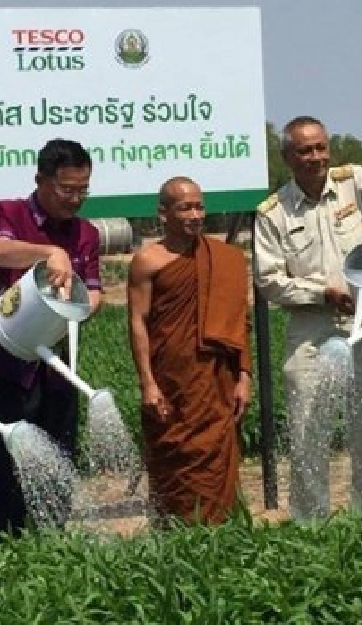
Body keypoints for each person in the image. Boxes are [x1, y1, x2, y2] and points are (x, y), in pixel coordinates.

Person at [252, 115, 362, 520]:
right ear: (287, 156)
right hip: (310, 334)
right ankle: (311, 528)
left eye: (321, 147)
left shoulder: (355, 181)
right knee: (309, 436)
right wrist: (322, 291)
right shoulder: (273, 212)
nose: (315, 157)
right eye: (305, 150)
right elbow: (269, 280)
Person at [0, 138, 103, 540]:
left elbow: (94, 292)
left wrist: (81, 305)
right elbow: (1, 252)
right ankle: (5, 549)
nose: (76, 199)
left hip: (57, 364)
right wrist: (49, 252)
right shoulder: (7, 212)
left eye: (83, 189)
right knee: (8, 461)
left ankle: (53, 544)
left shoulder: (86, 233)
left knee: (59, 456)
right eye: (67, 189)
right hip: (5, 363)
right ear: (41, 180)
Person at [127, 176, 252, 527]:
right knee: (174, 457)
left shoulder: (224, 259)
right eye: (185, 207)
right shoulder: (148, 260)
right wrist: (147, 383)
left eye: (199, 206)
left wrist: (244, 375)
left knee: (216, 462)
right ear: (163, 213)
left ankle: (221, 537)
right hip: (171, 380)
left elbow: (239, 323)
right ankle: (175, 537)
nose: (195, 214)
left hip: (216, 382)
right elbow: (138, 322)